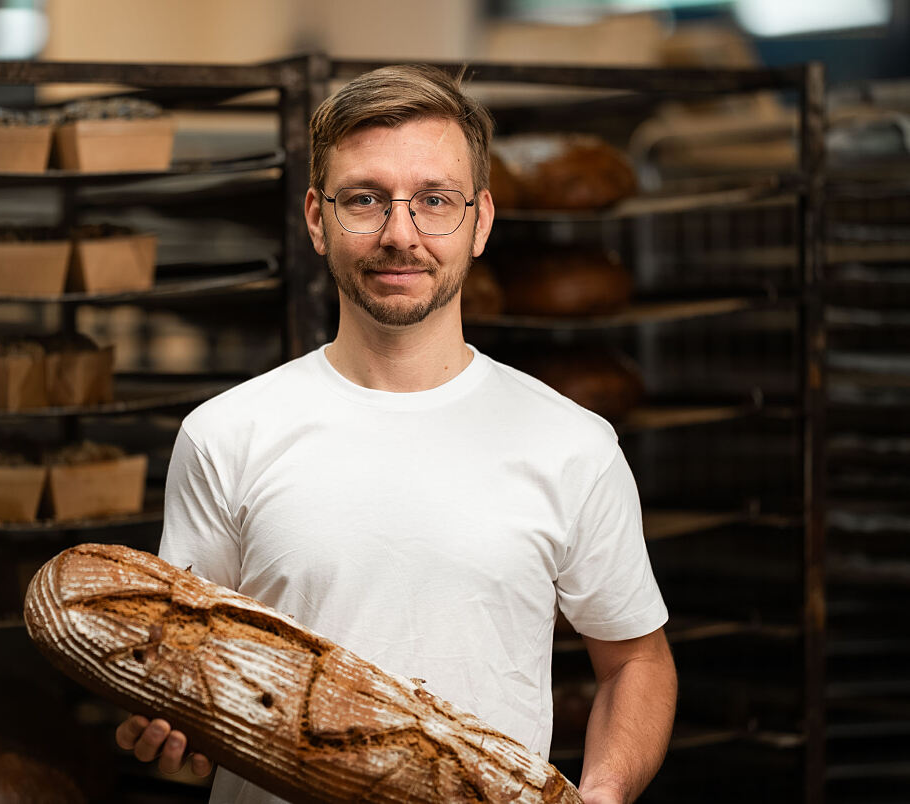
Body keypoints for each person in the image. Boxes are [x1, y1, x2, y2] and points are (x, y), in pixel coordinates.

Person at [116, 64, 677, 804]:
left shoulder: (572, 445)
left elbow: (637, 662)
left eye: (434, 201)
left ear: (481, 222)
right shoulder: (227, 435)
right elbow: (186, 681)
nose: (400, 234)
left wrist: (601, 795)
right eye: (365, 201)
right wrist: (170, 743)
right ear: (317, 219)